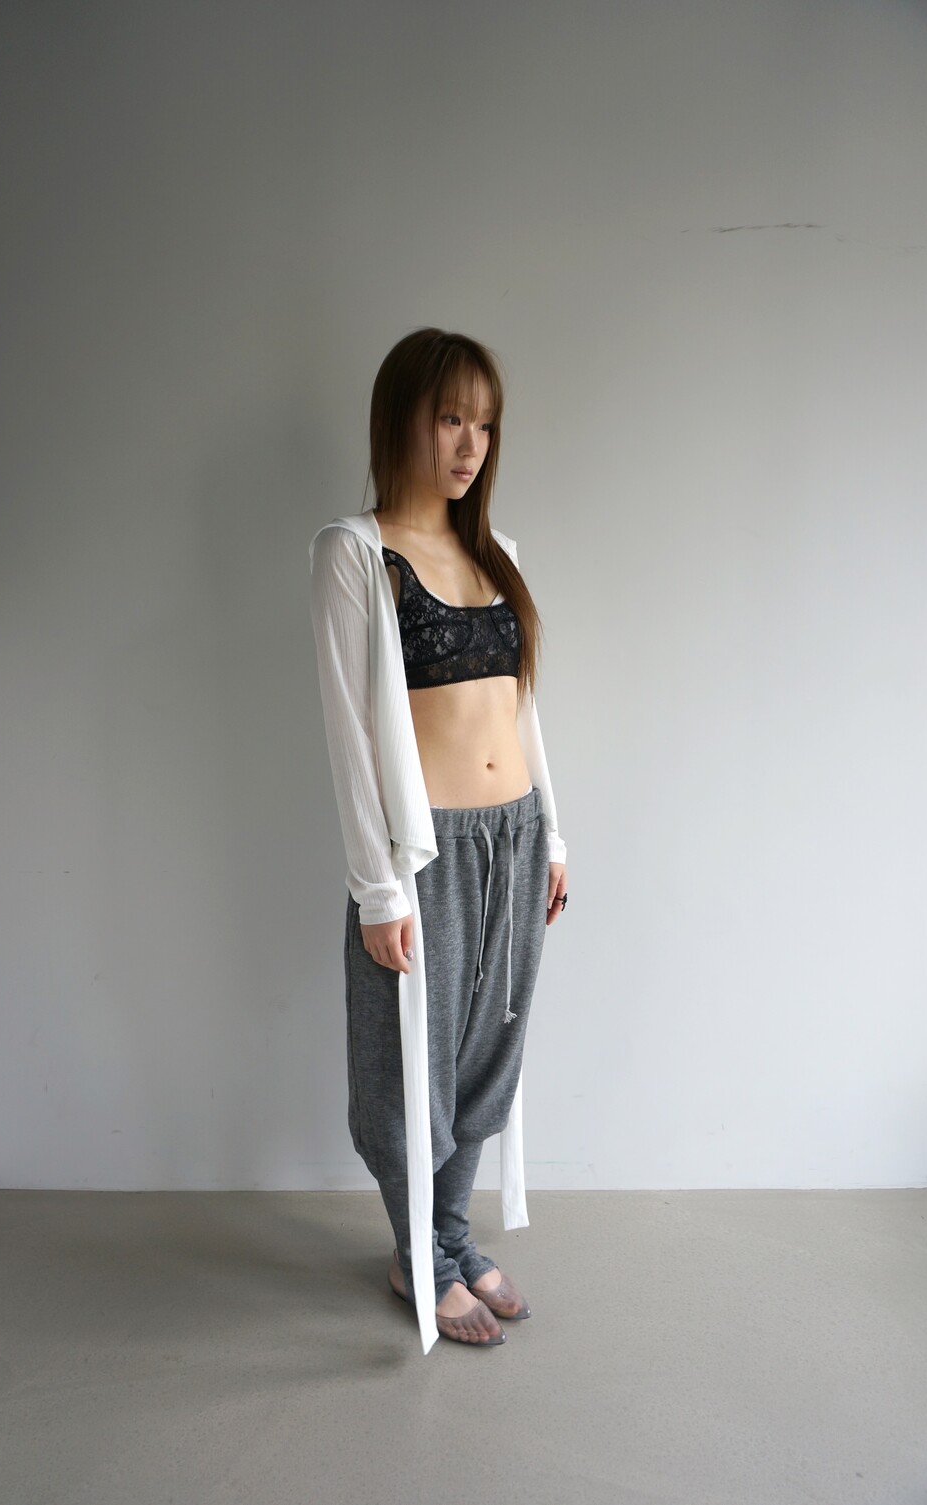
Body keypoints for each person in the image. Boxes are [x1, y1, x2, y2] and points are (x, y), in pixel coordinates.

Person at [309, 327, 567, 1353]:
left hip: (518, 835)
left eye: (484, 423)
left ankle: (449, 1238)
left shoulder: (497, 555)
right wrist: (378, 889)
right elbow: (349, 736)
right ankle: (418, 1247)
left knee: (486, 1055)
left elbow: (523, 712)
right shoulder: (354, 553)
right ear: (401, 418)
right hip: (427, 854)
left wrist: (556, 835)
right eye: (451, 416)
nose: (470, 443)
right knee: (408, 1067)